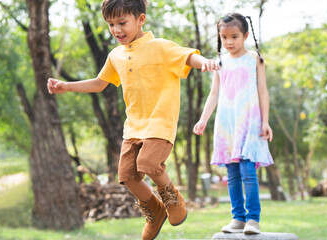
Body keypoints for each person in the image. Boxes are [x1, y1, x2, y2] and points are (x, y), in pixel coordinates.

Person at [47, 0, 219, 239]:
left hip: (159, 120)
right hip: (133, 126)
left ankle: (172, 198)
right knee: (127, 176)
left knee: (148, 164)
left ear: (141, 19)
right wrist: (67, 86)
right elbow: (99, 83)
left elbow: (188, 57)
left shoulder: (160, 46)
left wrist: (206, 63)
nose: (116, 30)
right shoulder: (115, 54)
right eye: (110, 24)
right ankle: (155, 211)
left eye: (122, 23)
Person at [193, 12, 274, 234]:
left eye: (234, 37)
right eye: (224, 37)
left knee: (248, 171)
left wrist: (265, 122)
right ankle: (237, 218)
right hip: (227, 124)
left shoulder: (255, 59)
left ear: (245, 35)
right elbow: (213, 95)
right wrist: (203, 119)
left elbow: (263, 91)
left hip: (249, 122)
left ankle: (253, 220)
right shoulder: (220, 62)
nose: (229, 42)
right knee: (232, 174)